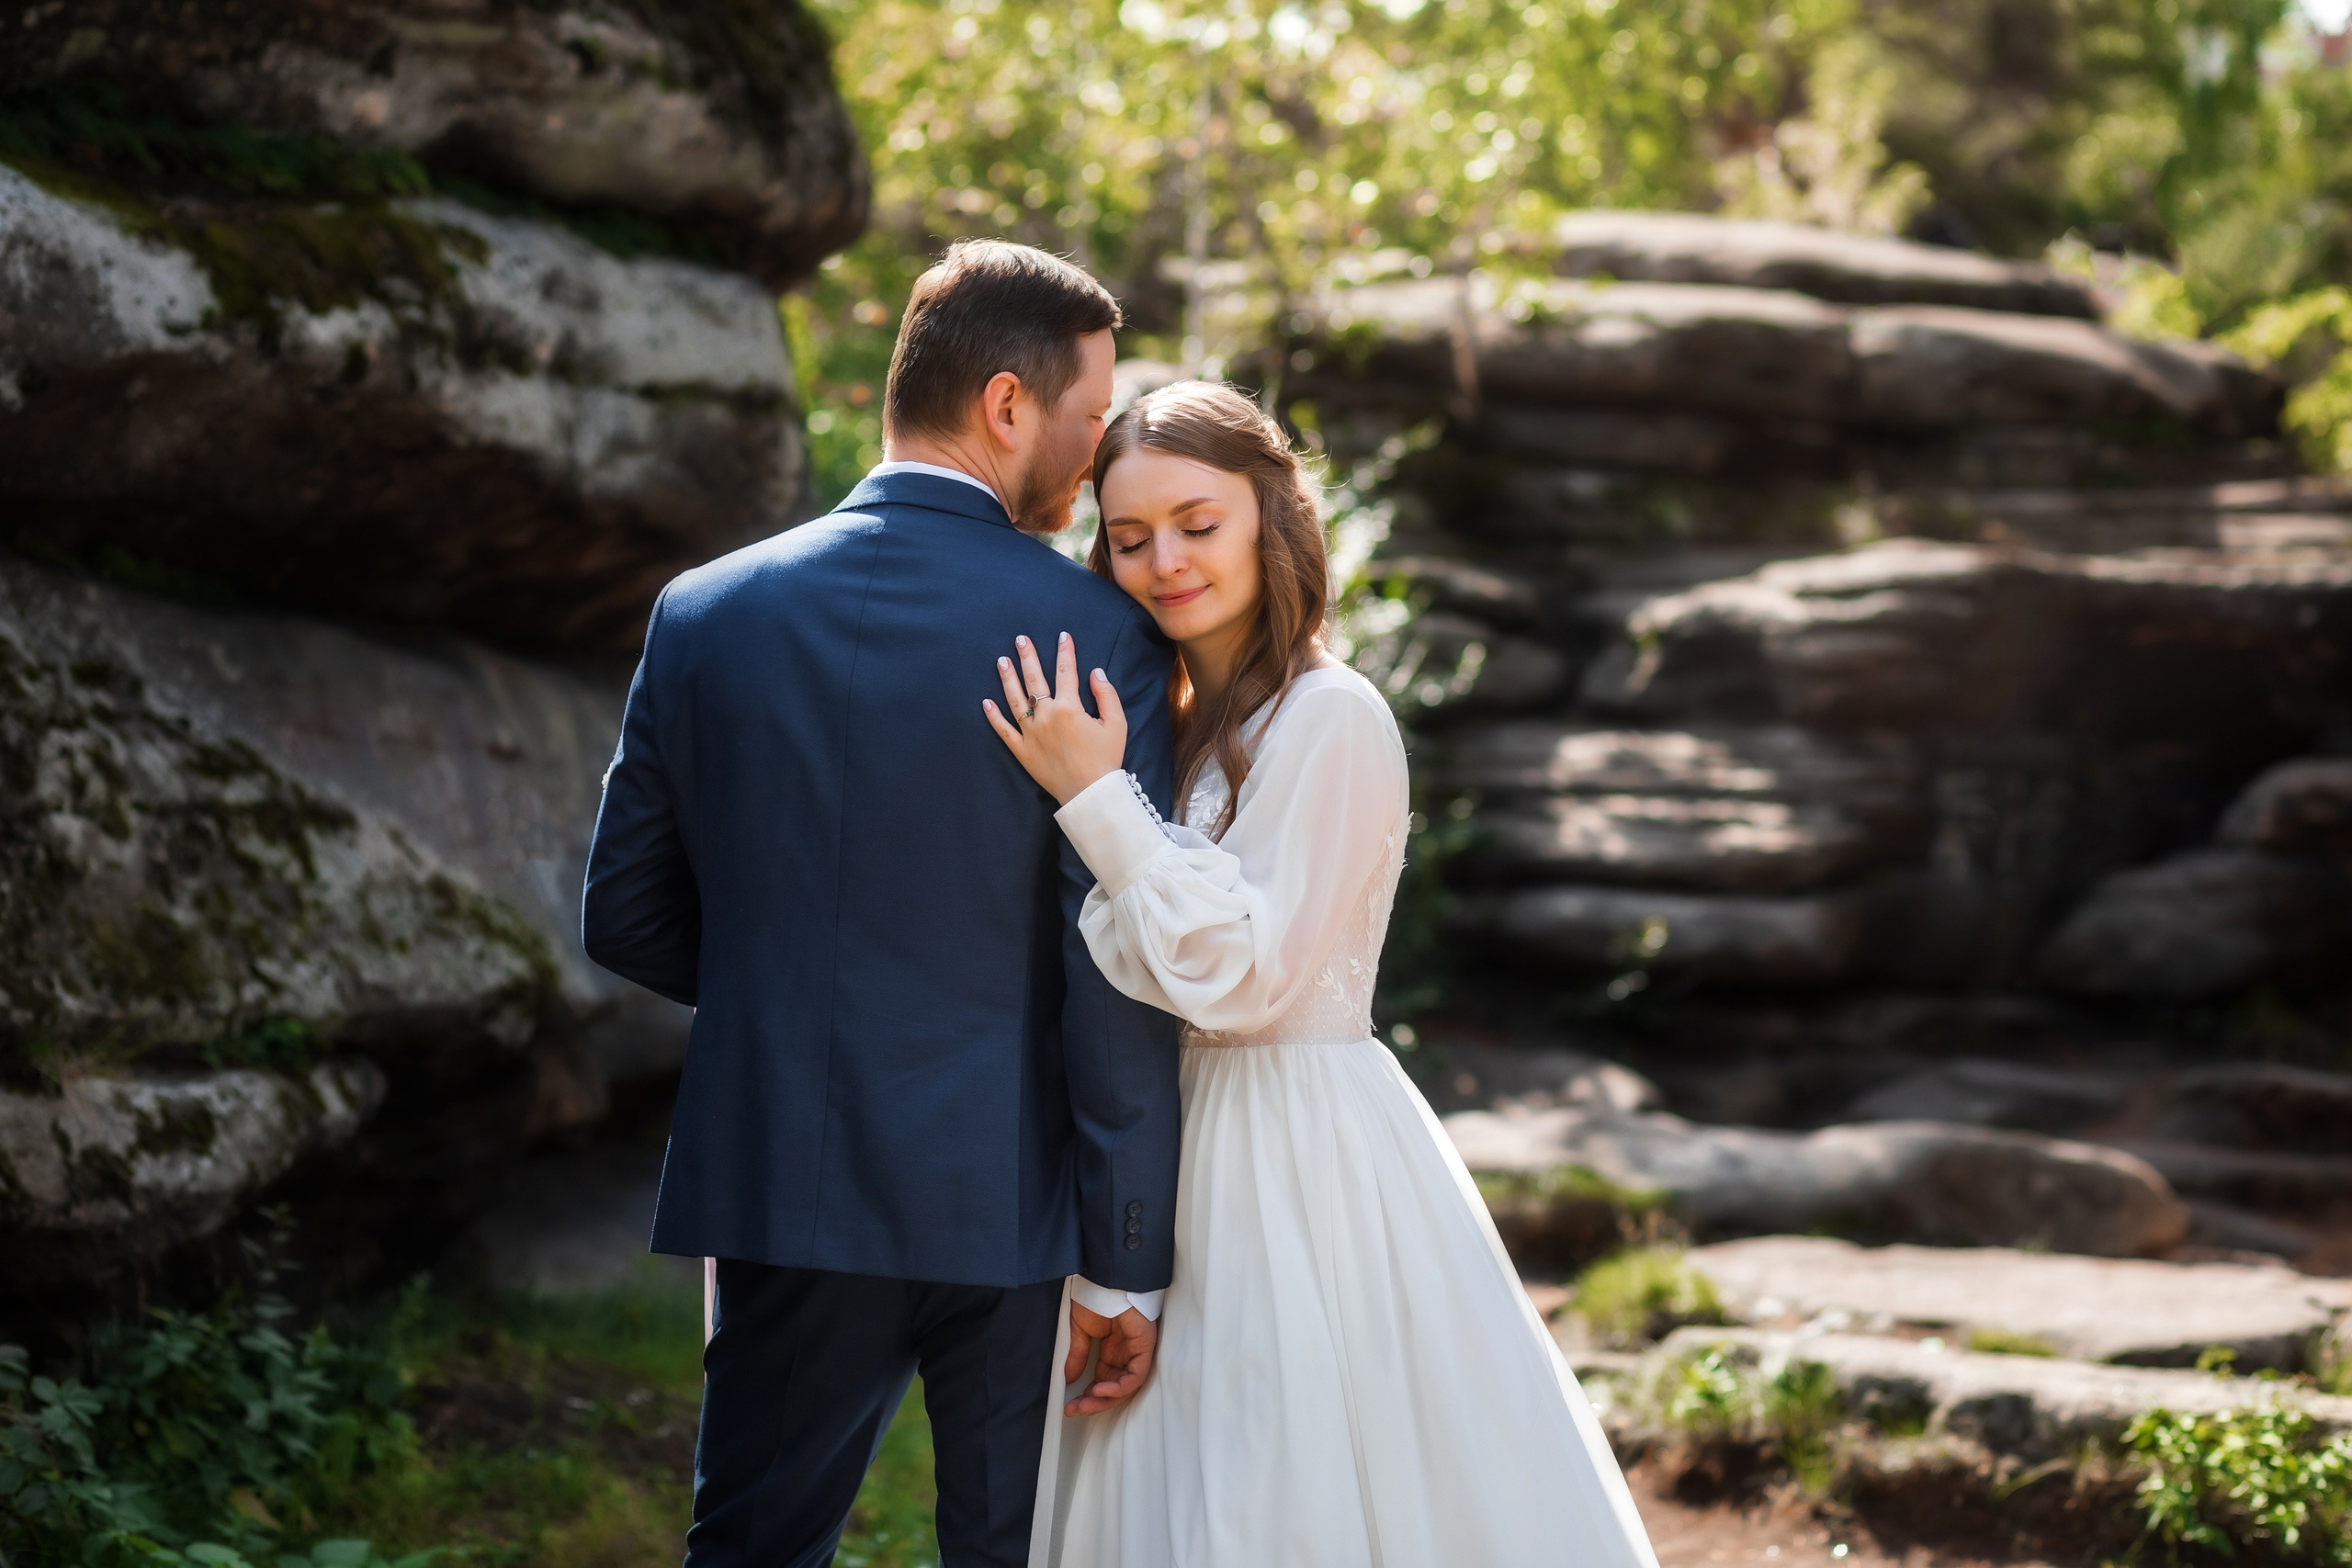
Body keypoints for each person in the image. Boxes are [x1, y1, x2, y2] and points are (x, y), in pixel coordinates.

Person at [983, 381, 1663, 1568]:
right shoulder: (1167, 716)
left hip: (1291, 1154)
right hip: (1160, 1140)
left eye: (1199, 523)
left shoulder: (1333, 716)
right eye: (1131, 538)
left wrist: (1094, 797)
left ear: (1270, 516)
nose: (1165, 563)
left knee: (1276, 1480)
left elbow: (1245, 976)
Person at [581, 240, 1185, 1568]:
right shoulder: (1102, 635)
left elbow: (623, 911)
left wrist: (789, 989)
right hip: (1013, 1192)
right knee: (1007, 1553)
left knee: (748, 1552)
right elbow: (1116, 967)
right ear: (1010, 407)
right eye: (1087, 424)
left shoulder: (704, 610)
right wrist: (1128, 1247)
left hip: (779, 1171)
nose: (1089, 465)